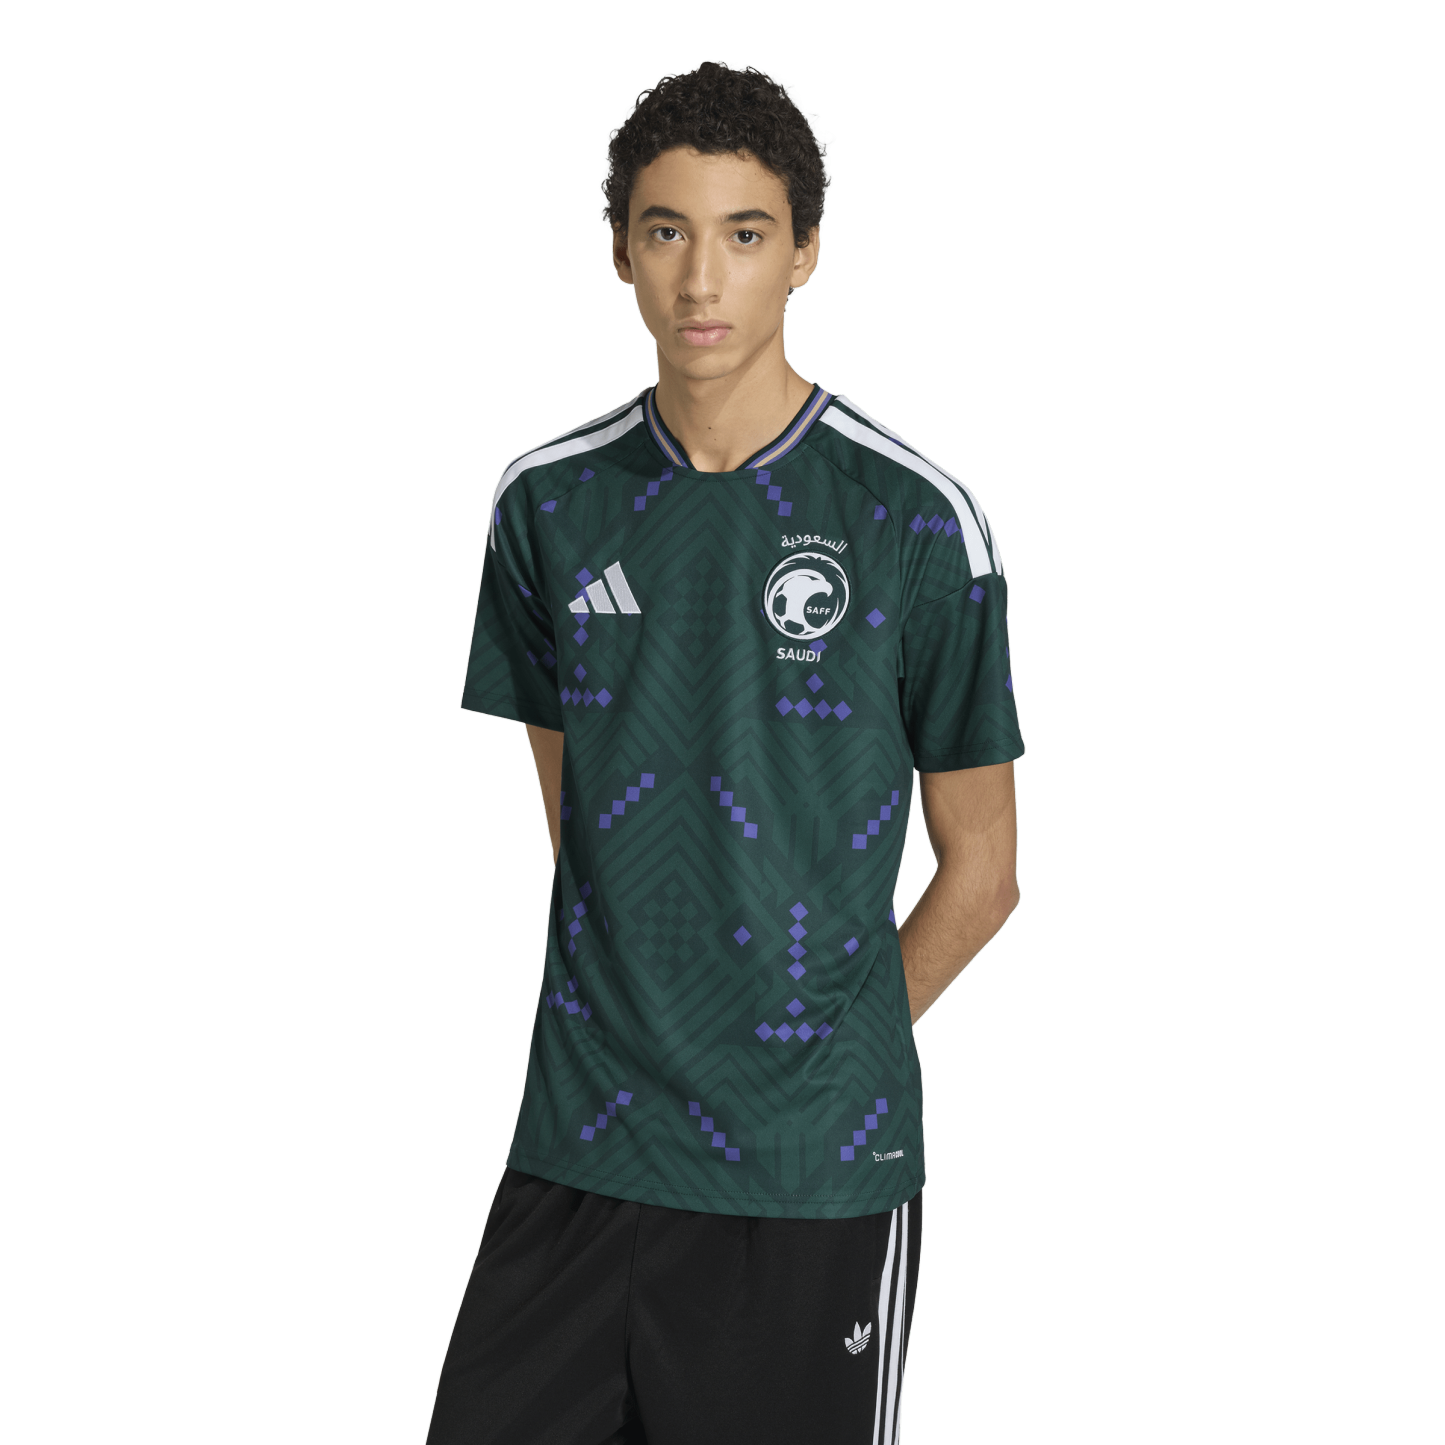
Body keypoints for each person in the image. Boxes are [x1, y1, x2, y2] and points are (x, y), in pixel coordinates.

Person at [428, 60, 1024, 1445]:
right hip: (579, 1151)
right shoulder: (547, 507)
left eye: (745, 233)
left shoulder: (916, 520)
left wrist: (820, 1053)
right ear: (621, 254)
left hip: (805, 1176)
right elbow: (590, 827)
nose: (703, 279)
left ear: (804, 251)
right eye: (667, 231)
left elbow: (985, 871)